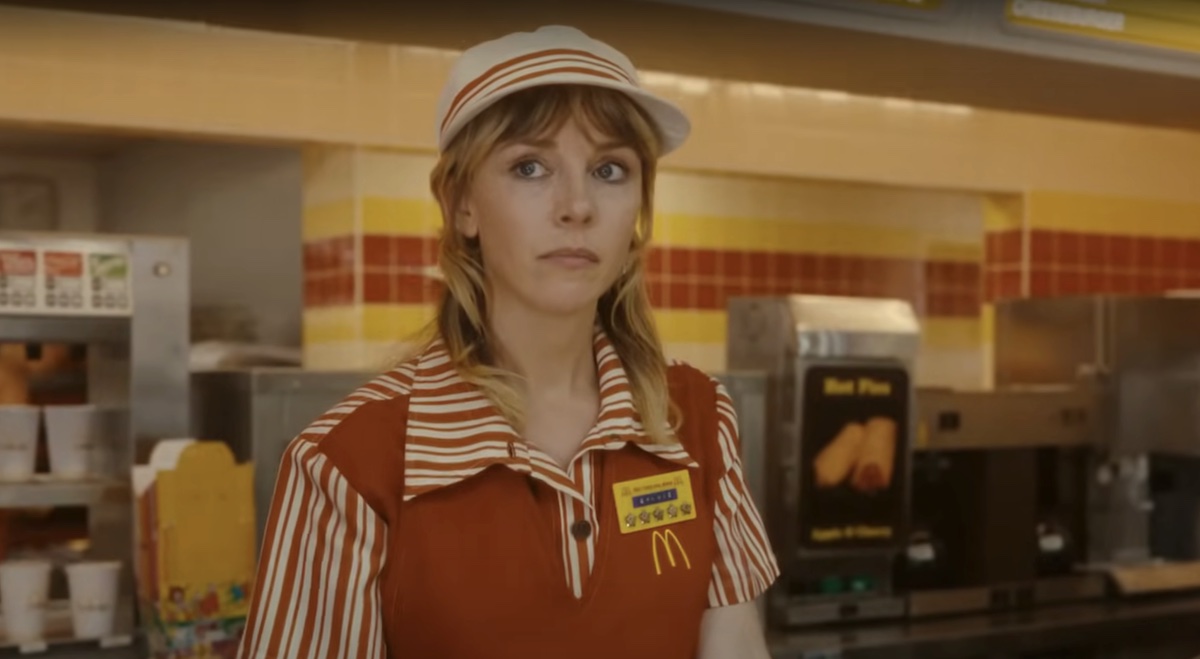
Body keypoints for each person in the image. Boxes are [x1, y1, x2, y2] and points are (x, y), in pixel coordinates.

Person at [238, 25, 779, 659]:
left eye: (609, 169)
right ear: (460, 202)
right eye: (530, 167)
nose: (576, 206)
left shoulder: (697, 417)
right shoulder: (345, 465)